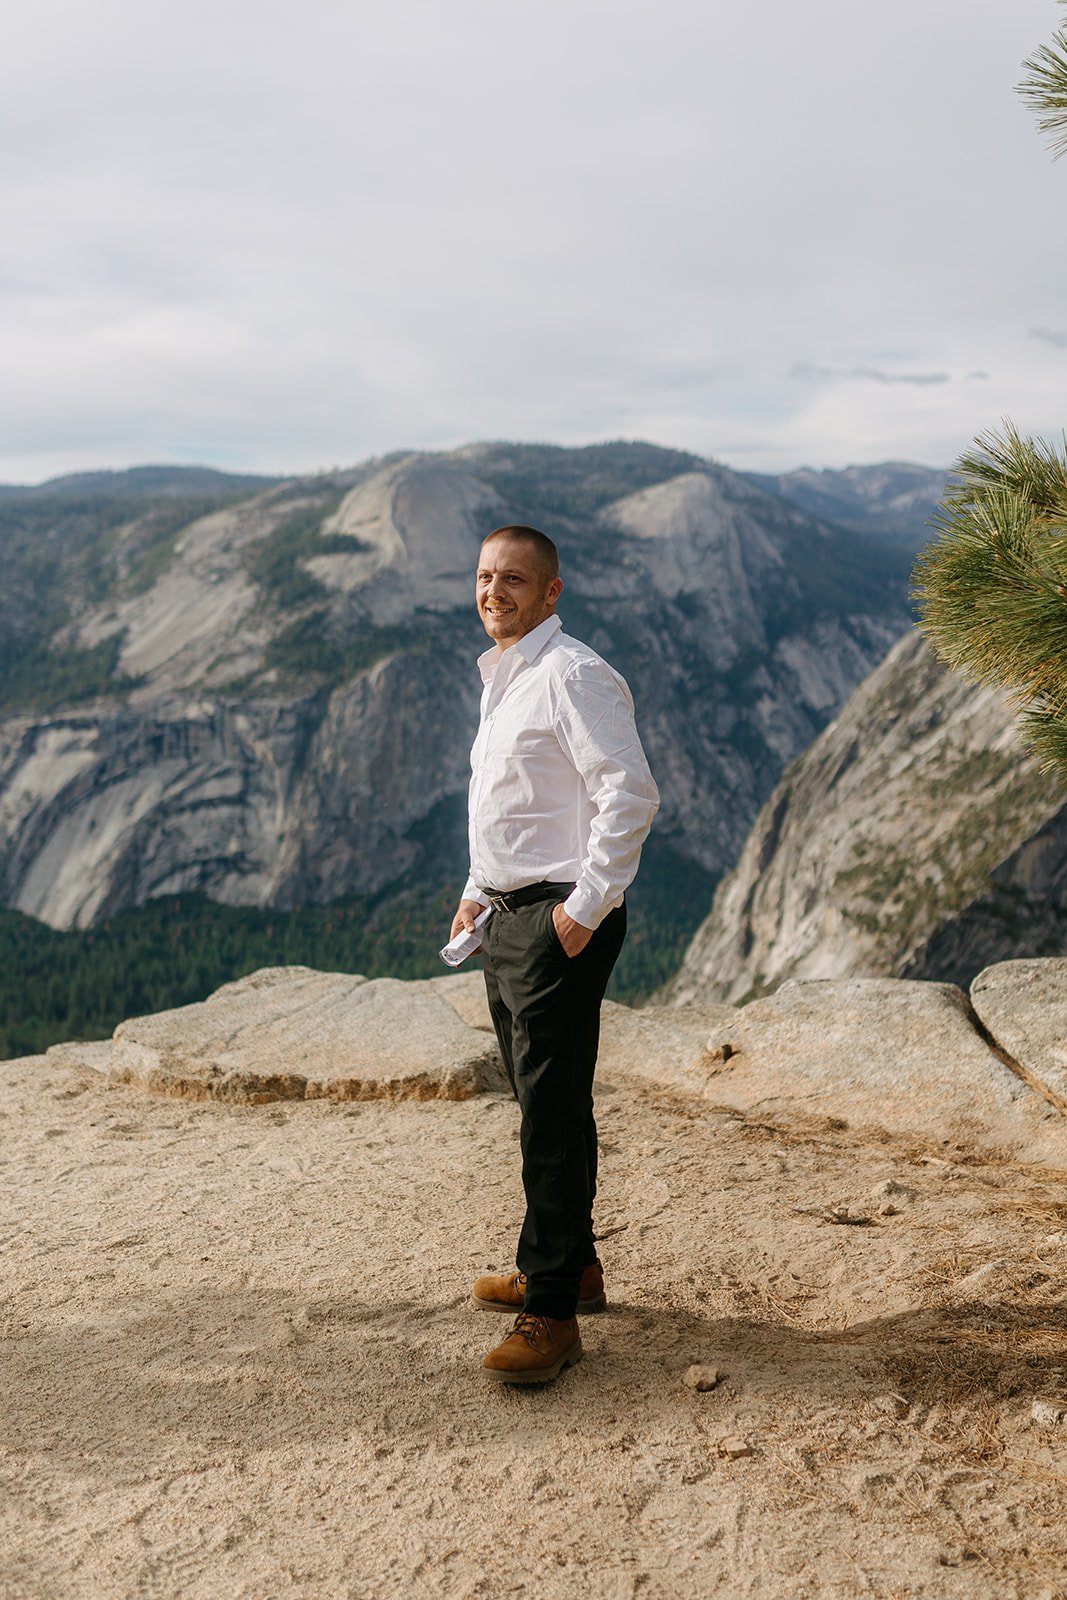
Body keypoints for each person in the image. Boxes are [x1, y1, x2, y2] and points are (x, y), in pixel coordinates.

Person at [449, 522, 659, 1385]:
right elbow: (513, 802)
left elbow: (628, 792)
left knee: (545, 1112)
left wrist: (583, 906)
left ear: (551, 593)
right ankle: (572, 1265)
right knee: (553, 1100)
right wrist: (476, 885)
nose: (494, 592)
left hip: (553, 922)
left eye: (515, 580)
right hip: (508, 913)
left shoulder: (571, 673)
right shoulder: (506, 675)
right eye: (485, 577)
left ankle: (551, 1312)